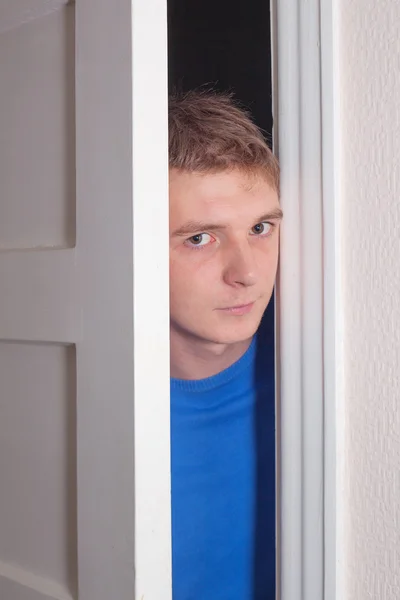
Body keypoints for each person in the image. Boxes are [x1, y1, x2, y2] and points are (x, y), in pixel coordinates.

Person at [169, 89, 282, 600]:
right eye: (200, 238)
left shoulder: (323, 380)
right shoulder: (69, 405)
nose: (248, 273)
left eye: (261, 228)